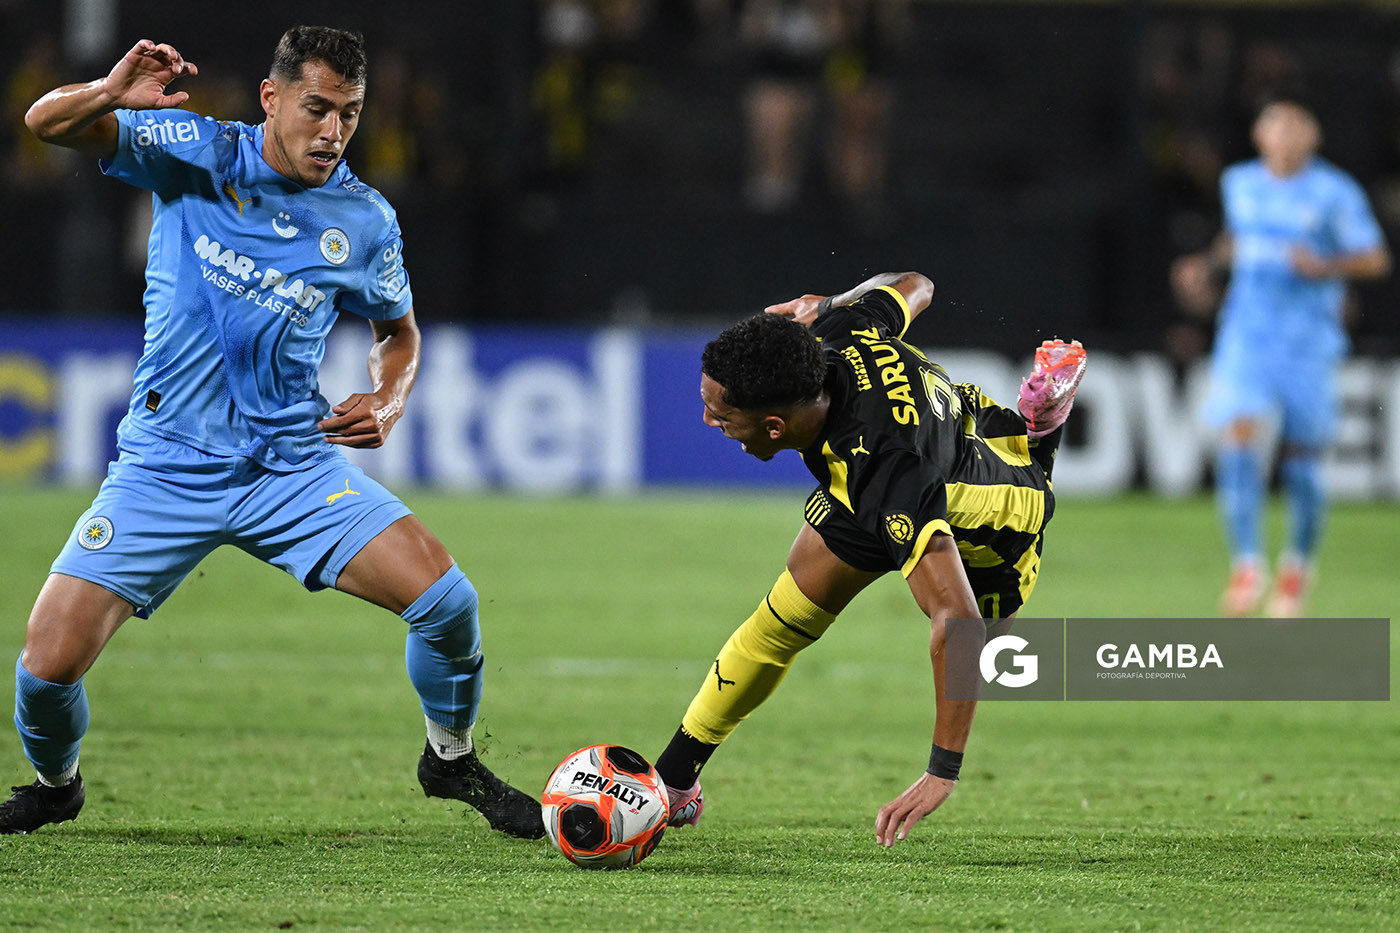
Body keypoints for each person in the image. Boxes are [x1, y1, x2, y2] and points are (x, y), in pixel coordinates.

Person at [1, 28, 543, 838]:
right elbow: (45, 123)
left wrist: (389, 400)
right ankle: (55, 783)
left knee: (448, 603)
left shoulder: (361, 220)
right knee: (45, 672)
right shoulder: (194, 153)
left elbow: (400, 334)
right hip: (165, 469)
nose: (333, 131)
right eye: (317, 108)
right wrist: (110, 95)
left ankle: (450, 757)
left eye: (350, 115)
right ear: (272, 97)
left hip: (289, 467)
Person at [649, 271, 1086, 846]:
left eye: (722, 416)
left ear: (775, 425)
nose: (711, 422)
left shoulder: (889, 474)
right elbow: (918, 284)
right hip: (899, 463)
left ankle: (1038, 432)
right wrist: (830, 301)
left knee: (990, 651)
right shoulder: (836, 330)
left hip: (994, 518)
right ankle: (672, 782)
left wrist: (941, 771)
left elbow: (958, 625)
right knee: (779, 624)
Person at [1172, 93, 1390, 618]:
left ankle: (1297, 568)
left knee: (1302, 463)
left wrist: (1324, 265)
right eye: (1278, 127)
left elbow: (1375, 258)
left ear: (1312, 138)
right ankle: (1248, 565)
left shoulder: (1335, 192)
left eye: (1297, 128)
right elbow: (1237, 241)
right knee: (1239, 438)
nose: (1287, 137)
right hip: (1247, 335)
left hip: (1308, 344)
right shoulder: (1240, 183)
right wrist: (1206, 268)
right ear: (1260, 136)